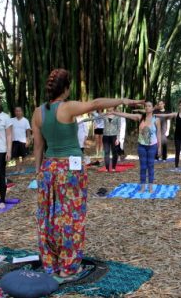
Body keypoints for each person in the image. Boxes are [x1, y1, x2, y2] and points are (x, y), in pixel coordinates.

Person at [31, 68, 141, 278]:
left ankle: (51, 264)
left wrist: (38, 172)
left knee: (48, 216)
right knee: (70, 216)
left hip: (48, 169)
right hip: (69, 170)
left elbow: (38, 147)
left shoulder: (38, 112)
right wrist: (124, 100)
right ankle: (69, 267)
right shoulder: (68, 107)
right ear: (66, 88)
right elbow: (96, 103)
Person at [111, 101, 162, 192]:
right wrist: (114, 112)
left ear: (152, 108)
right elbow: (126, 115)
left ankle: (150, 186)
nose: (147, 107)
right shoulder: (140, 117)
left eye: (149, 106)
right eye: (146, 106)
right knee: (143, 167)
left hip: (152, 146)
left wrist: (159, 147)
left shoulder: (156, 119)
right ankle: (142, 185)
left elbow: (158, 134)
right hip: (141, 146)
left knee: (150, 165)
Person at [155, 99, 181, 170]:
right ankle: (176, 166)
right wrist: (154, 114)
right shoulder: (175, 114)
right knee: (177, 150)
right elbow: (165, 115)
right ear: (178, 106)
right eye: (180, 105)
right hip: (177, 135)